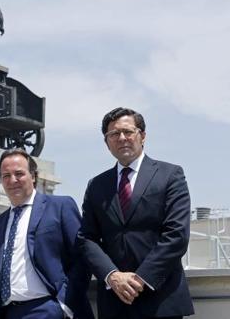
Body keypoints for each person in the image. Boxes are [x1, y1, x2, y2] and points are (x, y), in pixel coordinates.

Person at [77, 107, 194, 319]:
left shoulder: (170, 175)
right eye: (113, 134)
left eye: (128, 132)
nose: (121, 138)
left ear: (143, 136)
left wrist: (140, 280)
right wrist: (112, 276)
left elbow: (176, 234)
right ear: (107, 143)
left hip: (161, 300)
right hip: (115, 301)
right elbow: (87, 239)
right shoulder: (96, 185)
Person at [0, 148, 93, 319]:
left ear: (33, 176)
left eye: (19, 174)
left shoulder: (60, 206)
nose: (12, 180)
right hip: (7, 313)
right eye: (6, 175)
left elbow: (83, 256)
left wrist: (64, 305)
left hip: (47, 309)